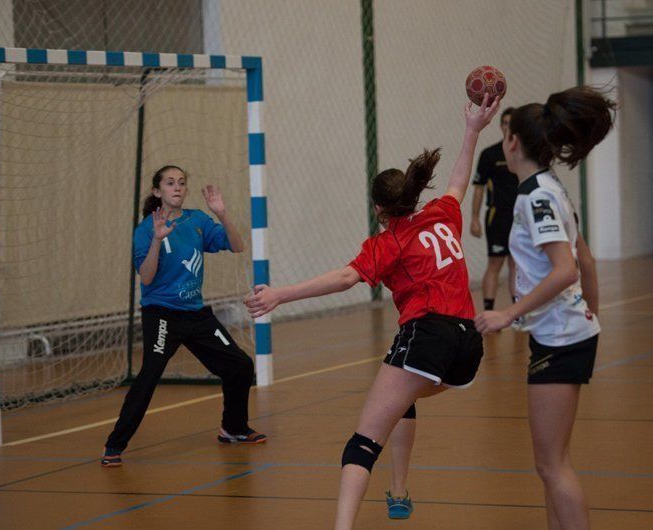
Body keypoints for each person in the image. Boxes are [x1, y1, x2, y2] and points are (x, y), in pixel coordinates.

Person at [245, 95, 500, 529]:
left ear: (378, 208)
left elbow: (346, 279)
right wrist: (473, 129)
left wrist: (279, 295)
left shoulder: (389, 242)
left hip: (427, 335)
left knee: (362, 443)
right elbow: (458, 180)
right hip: (468, 346)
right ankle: (398, 493)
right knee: (402, 398)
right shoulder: (442, 214)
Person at [475, 86, 614, 529]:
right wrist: (590, 317)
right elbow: (585, 262)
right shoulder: (549, 188)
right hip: (563, 333)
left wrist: (506, 314)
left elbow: (565, 269)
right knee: (551, 465)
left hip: (559, 336)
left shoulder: (536, 197)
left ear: (513, 142)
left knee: (552, 467)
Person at [101, 165, 265, 468]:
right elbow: (147, 278)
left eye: (181, 183)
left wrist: (222, 213)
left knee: (241, 366)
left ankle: (233, 428)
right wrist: (156, 239)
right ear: (157, 191)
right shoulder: (146, 229)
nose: (177, 187)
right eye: (170, 183)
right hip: (162, 315)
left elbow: (237, 245)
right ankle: (115, 445)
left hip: (196, 315)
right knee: (149, 377)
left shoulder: (198, 220)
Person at [470, 107, 518, 312]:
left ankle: (518, 312)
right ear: (500, 126)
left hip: (521, 218)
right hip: (497, 217)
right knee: (495, 264)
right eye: (505, 123)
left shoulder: (525, 152)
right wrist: (474, 218)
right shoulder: (489, 155)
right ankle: (489, 311)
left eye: (512, 123)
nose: (508, 127)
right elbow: (479, 188)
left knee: (517, 264)